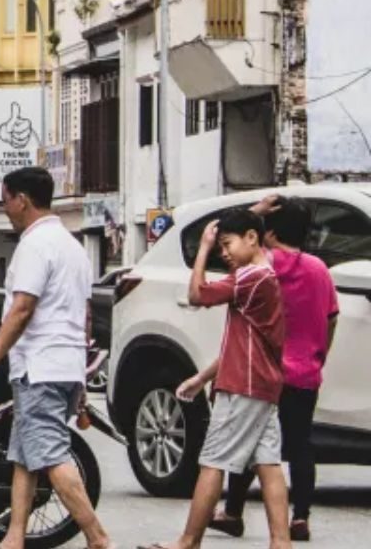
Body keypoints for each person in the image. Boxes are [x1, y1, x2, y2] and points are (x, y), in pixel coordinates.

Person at [0, 168, 112, 549]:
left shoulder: (35, 246)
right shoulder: (73, 246)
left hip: (40, 367)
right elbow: (84, 316)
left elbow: (22, 309)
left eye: (5, 200)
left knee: (48, 454)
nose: (4, 209)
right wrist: (79, 377)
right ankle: (14, 536)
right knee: (24, 454)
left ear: (22, 200)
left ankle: (97, 537)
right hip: (65, 365)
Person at [153, 209, 290, 549]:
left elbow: (198, 294)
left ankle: (188, 541)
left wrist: (202, 247)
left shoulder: (251, 277)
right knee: (268, 463)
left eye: (227, 245)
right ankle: (281, 542)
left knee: (212, 461)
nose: (224, 253)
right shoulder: (266, 275)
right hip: (263, 383)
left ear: (251, 238)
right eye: (220, 248)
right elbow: (241, 345)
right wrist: (202, 378)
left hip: (243, 386)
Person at [212, 196, 335, 542]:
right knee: (300, 444)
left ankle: (233, 511)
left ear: (267, 233)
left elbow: (233, 240)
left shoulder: (261, 266)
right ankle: (301, 517)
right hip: (306, 371)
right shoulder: (319, 270)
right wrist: (318, 355)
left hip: (264, 370)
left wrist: (256, 213)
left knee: (251, 443)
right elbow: (331, 318)